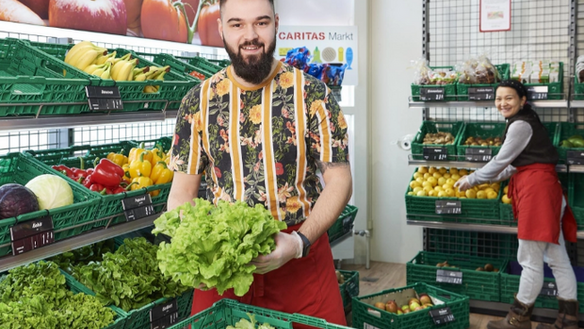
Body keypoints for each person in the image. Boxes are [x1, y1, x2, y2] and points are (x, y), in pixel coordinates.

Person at [166, 0, 352, 326]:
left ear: (276, 23)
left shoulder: (314, 96)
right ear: (221, 28)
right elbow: (181, 193)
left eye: (261, 23)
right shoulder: (196, 102)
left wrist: (298, 242)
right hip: (224, 267)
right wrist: (196, 251)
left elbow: (340, 180)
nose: (250, 35)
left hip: (300, 260)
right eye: (237, 24)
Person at [454, 80, 579, 329]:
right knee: (558, 258)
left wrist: (472, 178)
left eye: (509, 98)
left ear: (523, 100)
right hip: (543, 190)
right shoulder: (524, 121)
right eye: (498, 98)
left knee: (530, 259)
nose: (502, 103)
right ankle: (568, 320)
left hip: (538, 194)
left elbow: (501, 160)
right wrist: (482, 179)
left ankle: (518, 319)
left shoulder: (520, 124)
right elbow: (514, 164)